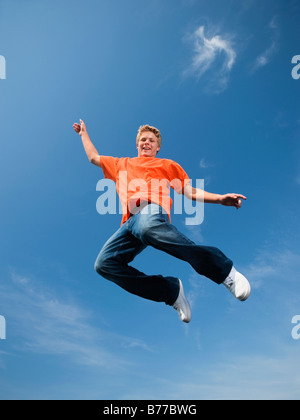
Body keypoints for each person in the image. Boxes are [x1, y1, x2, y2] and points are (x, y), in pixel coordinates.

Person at [73, 119, 251, 323]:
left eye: (150, 140)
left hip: (151, 212)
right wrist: (83, 134)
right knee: (104, 264)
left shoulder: (166, 165)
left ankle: (224, 271)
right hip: (129, 224)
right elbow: (94, 157)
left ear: (157, 147)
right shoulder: (122, 164)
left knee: (147, 226)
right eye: (142, 140)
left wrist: (219, 198)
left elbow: (190, 191)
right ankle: (171, 292)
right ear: (137, 144)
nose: (146, 143)